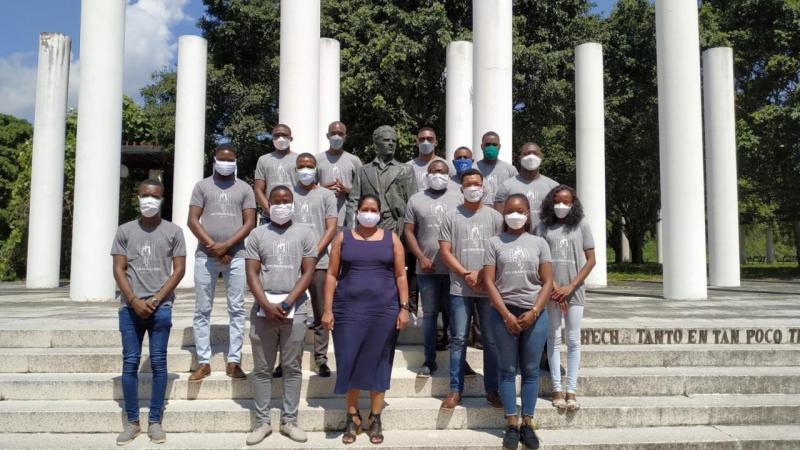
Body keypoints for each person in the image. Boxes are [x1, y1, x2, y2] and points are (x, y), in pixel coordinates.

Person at [322, 194, 411, 445]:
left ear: (380, 213)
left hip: (384, 311)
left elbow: (401, 276)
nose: (368, 213)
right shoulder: (343, 237)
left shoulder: (392, 239)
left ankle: (375, 417)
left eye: (373, 209)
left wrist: (404, 308)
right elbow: (330, 275)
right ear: (357, 211)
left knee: (379, 361)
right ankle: (352, 416)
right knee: (348, 358)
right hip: (348, 311)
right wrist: (327, 310)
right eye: (365, 209)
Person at [112, 179, 186, 446]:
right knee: (130, 362)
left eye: (154, 196)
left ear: (162, 198)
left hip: (161, 308)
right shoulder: (125, 230)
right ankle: (132, 422)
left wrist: (156, 299)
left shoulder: (174, 231)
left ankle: (155, 421)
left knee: (158, 362)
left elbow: (178, 270)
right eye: (144, 195)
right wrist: (132, 299)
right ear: (138, 197)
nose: (148, 200)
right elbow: (119, 269)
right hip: (129, 308)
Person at [244, 185, 317, 445]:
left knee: (292, 368)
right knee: (262, 369)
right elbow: (251, 272)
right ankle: (262, 422)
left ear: (293, 203)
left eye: (286, 200)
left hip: (294, 309)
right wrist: (264, 302)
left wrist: (288, 302)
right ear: (268, 204)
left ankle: (289, 421)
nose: (282, 204)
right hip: (264, 310)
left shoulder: (305, 233)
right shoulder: (256, 234)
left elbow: (308, 271)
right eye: (277, 200)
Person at [484, 193, 553, 450]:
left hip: (534, 313)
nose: (515, 215)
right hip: (503, 312)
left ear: (527, 213)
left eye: (520, 210)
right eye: (510, 210)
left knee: (531, 371)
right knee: (507, 369)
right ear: (504, 214)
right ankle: (511, 422)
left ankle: (528, 422)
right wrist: (506, 315)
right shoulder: (494, 242)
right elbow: (489, 282)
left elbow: (547, 282)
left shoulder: (539, 243)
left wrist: (534, 311)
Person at [187, 144, 256, 381]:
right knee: (202, 309)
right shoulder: (202, 186)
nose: (226, 162)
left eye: (230, 159)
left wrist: (226, 246)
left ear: (235, 162)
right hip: (205, 256)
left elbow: (249, 223)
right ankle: (204, 361)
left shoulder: (244, 188)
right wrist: (214, 248)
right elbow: (193, 221)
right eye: (222, 159)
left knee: (236, 309)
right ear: (214, 160)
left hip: (236, 256)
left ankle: (234, 361)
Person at [438, 169, 504, 410]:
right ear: (462, 188)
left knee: (492, 340)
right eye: (469, 184)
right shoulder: (450, 216)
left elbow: (502, 251)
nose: (473, 187)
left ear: (484, 186)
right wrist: (466, 273)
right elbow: (445, 252)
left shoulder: (496, 218)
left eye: (477, 183)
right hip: (460, 288)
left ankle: (493, 390)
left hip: (489, 290)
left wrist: (483, 276)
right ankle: (455, 390)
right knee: (458, 339)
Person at [537, 185, 596, 412]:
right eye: (557, 201)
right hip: (550, 291)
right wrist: (553, 287)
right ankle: (557, 388)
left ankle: (571, 389)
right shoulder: (542, 227)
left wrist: (570, 287)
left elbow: (591, 259)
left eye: (567, 202)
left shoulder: (581, 226)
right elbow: (538, 259)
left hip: (574, 291)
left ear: (573, 204)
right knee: (553, 338)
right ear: (551, 202)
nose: (562, 205)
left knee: (573, 339)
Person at [404, 160, 463, 377]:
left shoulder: (459, 197)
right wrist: (420, 257)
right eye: (434, 171)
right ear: (427, 174)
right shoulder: (416, 199)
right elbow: (409, 231)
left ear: (449, 175)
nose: (438, 175)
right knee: (429, 316)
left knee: (456, 318)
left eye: (443, 172)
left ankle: (461, 361)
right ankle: (430, 360)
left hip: (453, 270)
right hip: (427, 270)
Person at [291, 153, 338, 377]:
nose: (306, 169)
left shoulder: (326, 195)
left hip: (320, 262)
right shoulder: (287, 194)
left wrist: (313, 252)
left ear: (316, 168)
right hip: (291, 264)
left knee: (321, 312)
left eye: (310, 166)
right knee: (291, 312)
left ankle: (321, 358)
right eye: (302, 166)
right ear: (296, 169)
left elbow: (331, 227)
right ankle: (289, 359)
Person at [346, 125, 416, 237]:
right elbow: (353, 203)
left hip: (396, 226)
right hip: (368, 224)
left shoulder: (406, 170)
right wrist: (351, 233)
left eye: (394, 141)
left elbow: (413, 203)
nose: (391, 143)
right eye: (386, 140)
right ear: (376, 144)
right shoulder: (363, 171)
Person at [494, 143, 559, 229]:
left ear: (541, 157)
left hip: (545, 238)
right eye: (526, 154)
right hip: (516, 239)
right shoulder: (506, 186)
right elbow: (500, 217)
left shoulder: (553, 187)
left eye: (535, 153)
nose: (531, 156)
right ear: (520, 158)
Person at [317, 121, 362, 227]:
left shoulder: (354, 160)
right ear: (327, 136)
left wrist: (347, 191)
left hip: (347, 216)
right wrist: (322, 189)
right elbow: (309, 188)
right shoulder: (317, 159)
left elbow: (363, 188)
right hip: (323, 215)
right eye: (333, 133)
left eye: (340, 134)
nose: (336, 137)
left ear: (345, 137)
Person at [254, 124, 299, 224]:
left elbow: (306, 187)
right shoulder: (263, 160)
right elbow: (258, 190)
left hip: (294, 215)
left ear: (291, 138)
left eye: (284, 135)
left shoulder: (299, 159)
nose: (280, 138)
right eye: (277, 135)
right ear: (272, 138)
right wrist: (270, 211)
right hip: (269, 216)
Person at [476, 131, 518, 206]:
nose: (491, 147)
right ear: (482, 146)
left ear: (499, 146)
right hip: (479, 213)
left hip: (503, 213)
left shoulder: (510, 170)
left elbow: (516, 195)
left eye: (494, 145)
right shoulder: (473, 168)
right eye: (488, 145)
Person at [407, 127, 453, 192]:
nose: (425, 142)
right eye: (422, 139)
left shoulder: (446, 165)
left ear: (436, 142)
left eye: (430, 139)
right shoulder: (407, 167)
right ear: (417, 143)